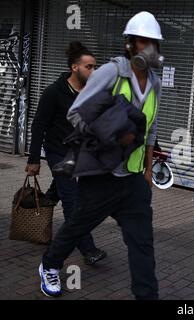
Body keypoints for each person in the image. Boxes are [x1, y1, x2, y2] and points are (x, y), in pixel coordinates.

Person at [38, 11, 163, 300]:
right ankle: (49, 264)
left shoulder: (155, 82)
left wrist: (147, 170)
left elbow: (152, 127)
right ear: (129, 44)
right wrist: (112, 134)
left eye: (154, 43)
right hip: (102, 177)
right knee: (76, 226)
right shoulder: (111, 72)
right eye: (143, 42)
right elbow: (75, 113)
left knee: (142, 244)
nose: (149, 48)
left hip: (133, 181)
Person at [26, 41, 106, 265]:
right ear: (74, 67)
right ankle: (88, 249)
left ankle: (42, 204)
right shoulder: (54, 92)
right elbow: (39, 125)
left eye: (94, 67)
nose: (93, 71)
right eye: (89, 67)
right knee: (74, 203)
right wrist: (34, 160)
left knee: (61, 192)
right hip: (58, 153)